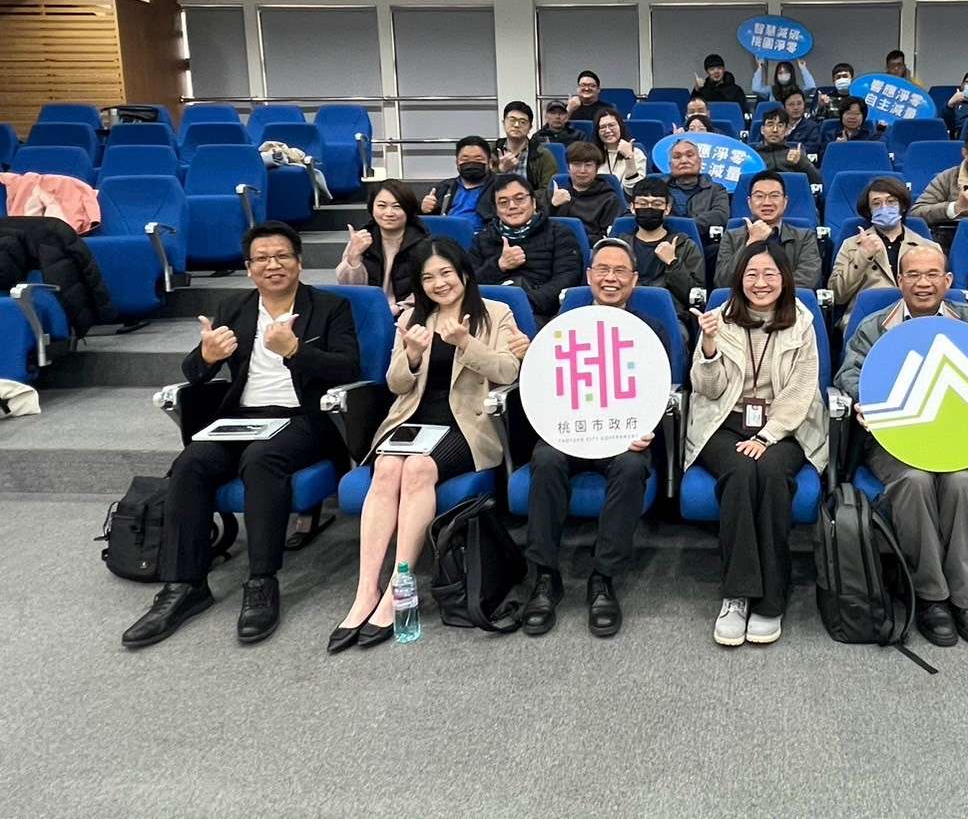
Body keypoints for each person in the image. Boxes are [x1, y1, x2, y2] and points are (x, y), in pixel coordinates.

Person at [122, 222, 360, 649]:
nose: (273, 265)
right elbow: (195, 372)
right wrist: (206, 356)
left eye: (282, 256)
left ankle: (261, 581)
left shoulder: (330, 307)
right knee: (191, 463)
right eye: (262, 258)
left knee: (262, 459)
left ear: (299, 261)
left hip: (304, 418)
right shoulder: (234, 307)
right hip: (243, 416)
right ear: (249, 268)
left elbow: (348, 368)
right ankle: (184, 585)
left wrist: (295, 350)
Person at [329, 239, 528, 653]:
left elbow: (509, 371)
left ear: (464, 273)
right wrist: (414, 356)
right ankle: (366, 589)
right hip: (411, 419)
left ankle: (398, 586)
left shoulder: (496, 313)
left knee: (418, 468)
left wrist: (466, 344)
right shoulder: (413, 318)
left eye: (446, 273)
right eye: (428, 277)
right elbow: (395, 384)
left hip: (467, 423)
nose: (439, 284)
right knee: (387, 468)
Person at [833, 244, 968, 648]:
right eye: (913, 274)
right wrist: (867, 398)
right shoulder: (875, 325)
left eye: (932, 274)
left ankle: (965, 597)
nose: (923, 283)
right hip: (895, 438)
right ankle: (930, 595)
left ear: (947, 280)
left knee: (961, 483)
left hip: (957, 437)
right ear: (899, 280)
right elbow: (847, 374)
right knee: (915, 481)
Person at [521, 240, 672, 638]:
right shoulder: (562, 329)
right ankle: (544, 577)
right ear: (588, 276)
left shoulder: (650, 330)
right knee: (546, 460)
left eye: (620, 271)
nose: (610, 278)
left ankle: (603, 578)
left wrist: (646, 428)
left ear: (634, 280)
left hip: (623, 436)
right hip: (568, 432)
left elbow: (660, 391)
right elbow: (543, 389)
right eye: (602, 269)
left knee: (632, 466)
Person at [686, 243, 826, 646]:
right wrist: (709, 346)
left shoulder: (801, 321)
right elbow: (707, 390)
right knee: (740, 470)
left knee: (771, 471)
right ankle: (737, 595)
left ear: (784, 279)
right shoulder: (719, 318)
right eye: (751, 274)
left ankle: (771, 599)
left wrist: (768, 435)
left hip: (785, 424)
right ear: (739, 279)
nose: (760, 282)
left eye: (769, 274)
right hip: (724, 421)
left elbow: (801, 390)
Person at [470, 173, 584, 327]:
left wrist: (523, 302)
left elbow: (568, 278)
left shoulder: (558, 233)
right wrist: (499, 266)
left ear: (534, 202)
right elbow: (468, 282)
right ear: (496, 210)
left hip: (542, 313)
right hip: (491, 314)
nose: (512, 206)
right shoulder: (483, 239)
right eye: (503, 202)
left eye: (519, 199)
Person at [829, 177, 940, 319]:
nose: (884, 208)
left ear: (902, 206)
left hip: (915, 318)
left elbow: (940, 292)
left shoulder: (929, 247)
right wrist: (862, 256)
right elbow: (837, 295)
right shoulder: (851, 245)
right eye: (876, 203)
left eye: (891, 202)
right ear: (869, 211)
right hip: (866, 319)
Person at [714, 171, 823, 289]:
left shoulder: (804, 237)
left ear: (785, 202)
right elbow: (722, 281)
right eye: (759, 196)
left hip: (789, 300)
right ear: (749, 202)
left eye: (774, 196)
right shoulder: (731, 236)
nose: (767, 202)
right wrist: (751, 243)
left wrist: (767, 290)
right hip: (744, 299)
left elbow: (808, 279)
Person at [337, 179, 431, 309]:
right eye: (381, 206)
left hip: (408, 311)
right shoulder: (362, 239)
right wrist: (353, 257)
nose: (389, 213)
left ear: (408, 209)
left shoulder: (424, 243)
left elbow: (428, 287)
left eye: (397, 206)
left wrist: (400, 308)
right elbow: (349, 288)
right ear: (372, 208)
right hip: (367, 308)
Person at [620, 177, 706, 316]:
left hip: (671, 315)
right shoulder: (620, 246)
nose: (649, 208)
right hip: (626, 313)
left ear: (667, 208)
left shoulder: (685, 245)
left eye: (657, 204)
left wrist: (673, 263)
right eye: (642, 203)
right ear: (632, 208)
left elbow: (696, 296)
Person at [549, 140, 624, 243]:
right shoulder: (556, 192)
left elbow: (609, 237)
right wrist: (552, 206)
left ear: (597, 168)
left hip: (590, 247)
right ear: (568, 167)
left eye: (588, 165)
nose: (582, 170)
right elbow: (538, 226)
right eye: (576, 164)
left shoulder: (609, 198)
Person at [421, 135, 497, 228]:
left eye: (478, 159)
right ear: (457, 163)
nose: (471, 164)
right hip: (447, 234)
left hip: (485, 234)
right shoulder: (444, 187)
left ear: (490, 162)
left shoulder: (500, 186)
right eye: (465, 159)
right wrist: (424, 209)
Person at [663, 139, 730, 233]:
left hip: (702, 239)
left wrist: (686, 226)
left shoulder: (716, 190)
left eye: (689, 155)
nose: (684, 161)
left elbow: (720, 215)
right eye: (677, 157)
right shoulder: (659, 188)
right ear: (670, 165)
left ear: (700, 161)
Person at [492, 100, 557, 194]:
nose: (516, 125)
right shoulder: (491, 151)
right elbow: (482, 187)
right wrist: (500, 170)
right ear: (503, 123)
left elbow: (548, 190)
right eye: (512, 120)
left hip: (531, 202)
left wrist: (523, 199)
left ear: (530, 127)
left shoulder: (542, 154)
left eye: (522, 122)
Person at [752, 107, 821, 184]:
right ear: (762, 130)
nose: (775, 130)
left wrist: (801, 162)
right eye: (770, 125)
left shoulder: (796, 153)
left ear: (786, 131)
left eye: (780, 126)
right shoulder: (753, 156)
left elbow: (817, 181)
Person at [594, 108, 647, 191]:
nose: (607, 130)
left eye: (611, 125)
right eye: (602, 127)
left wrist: (629, 157)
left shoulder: (636, 153)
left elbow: (634, 190)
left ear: (620, 127)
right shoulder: (592, 154)